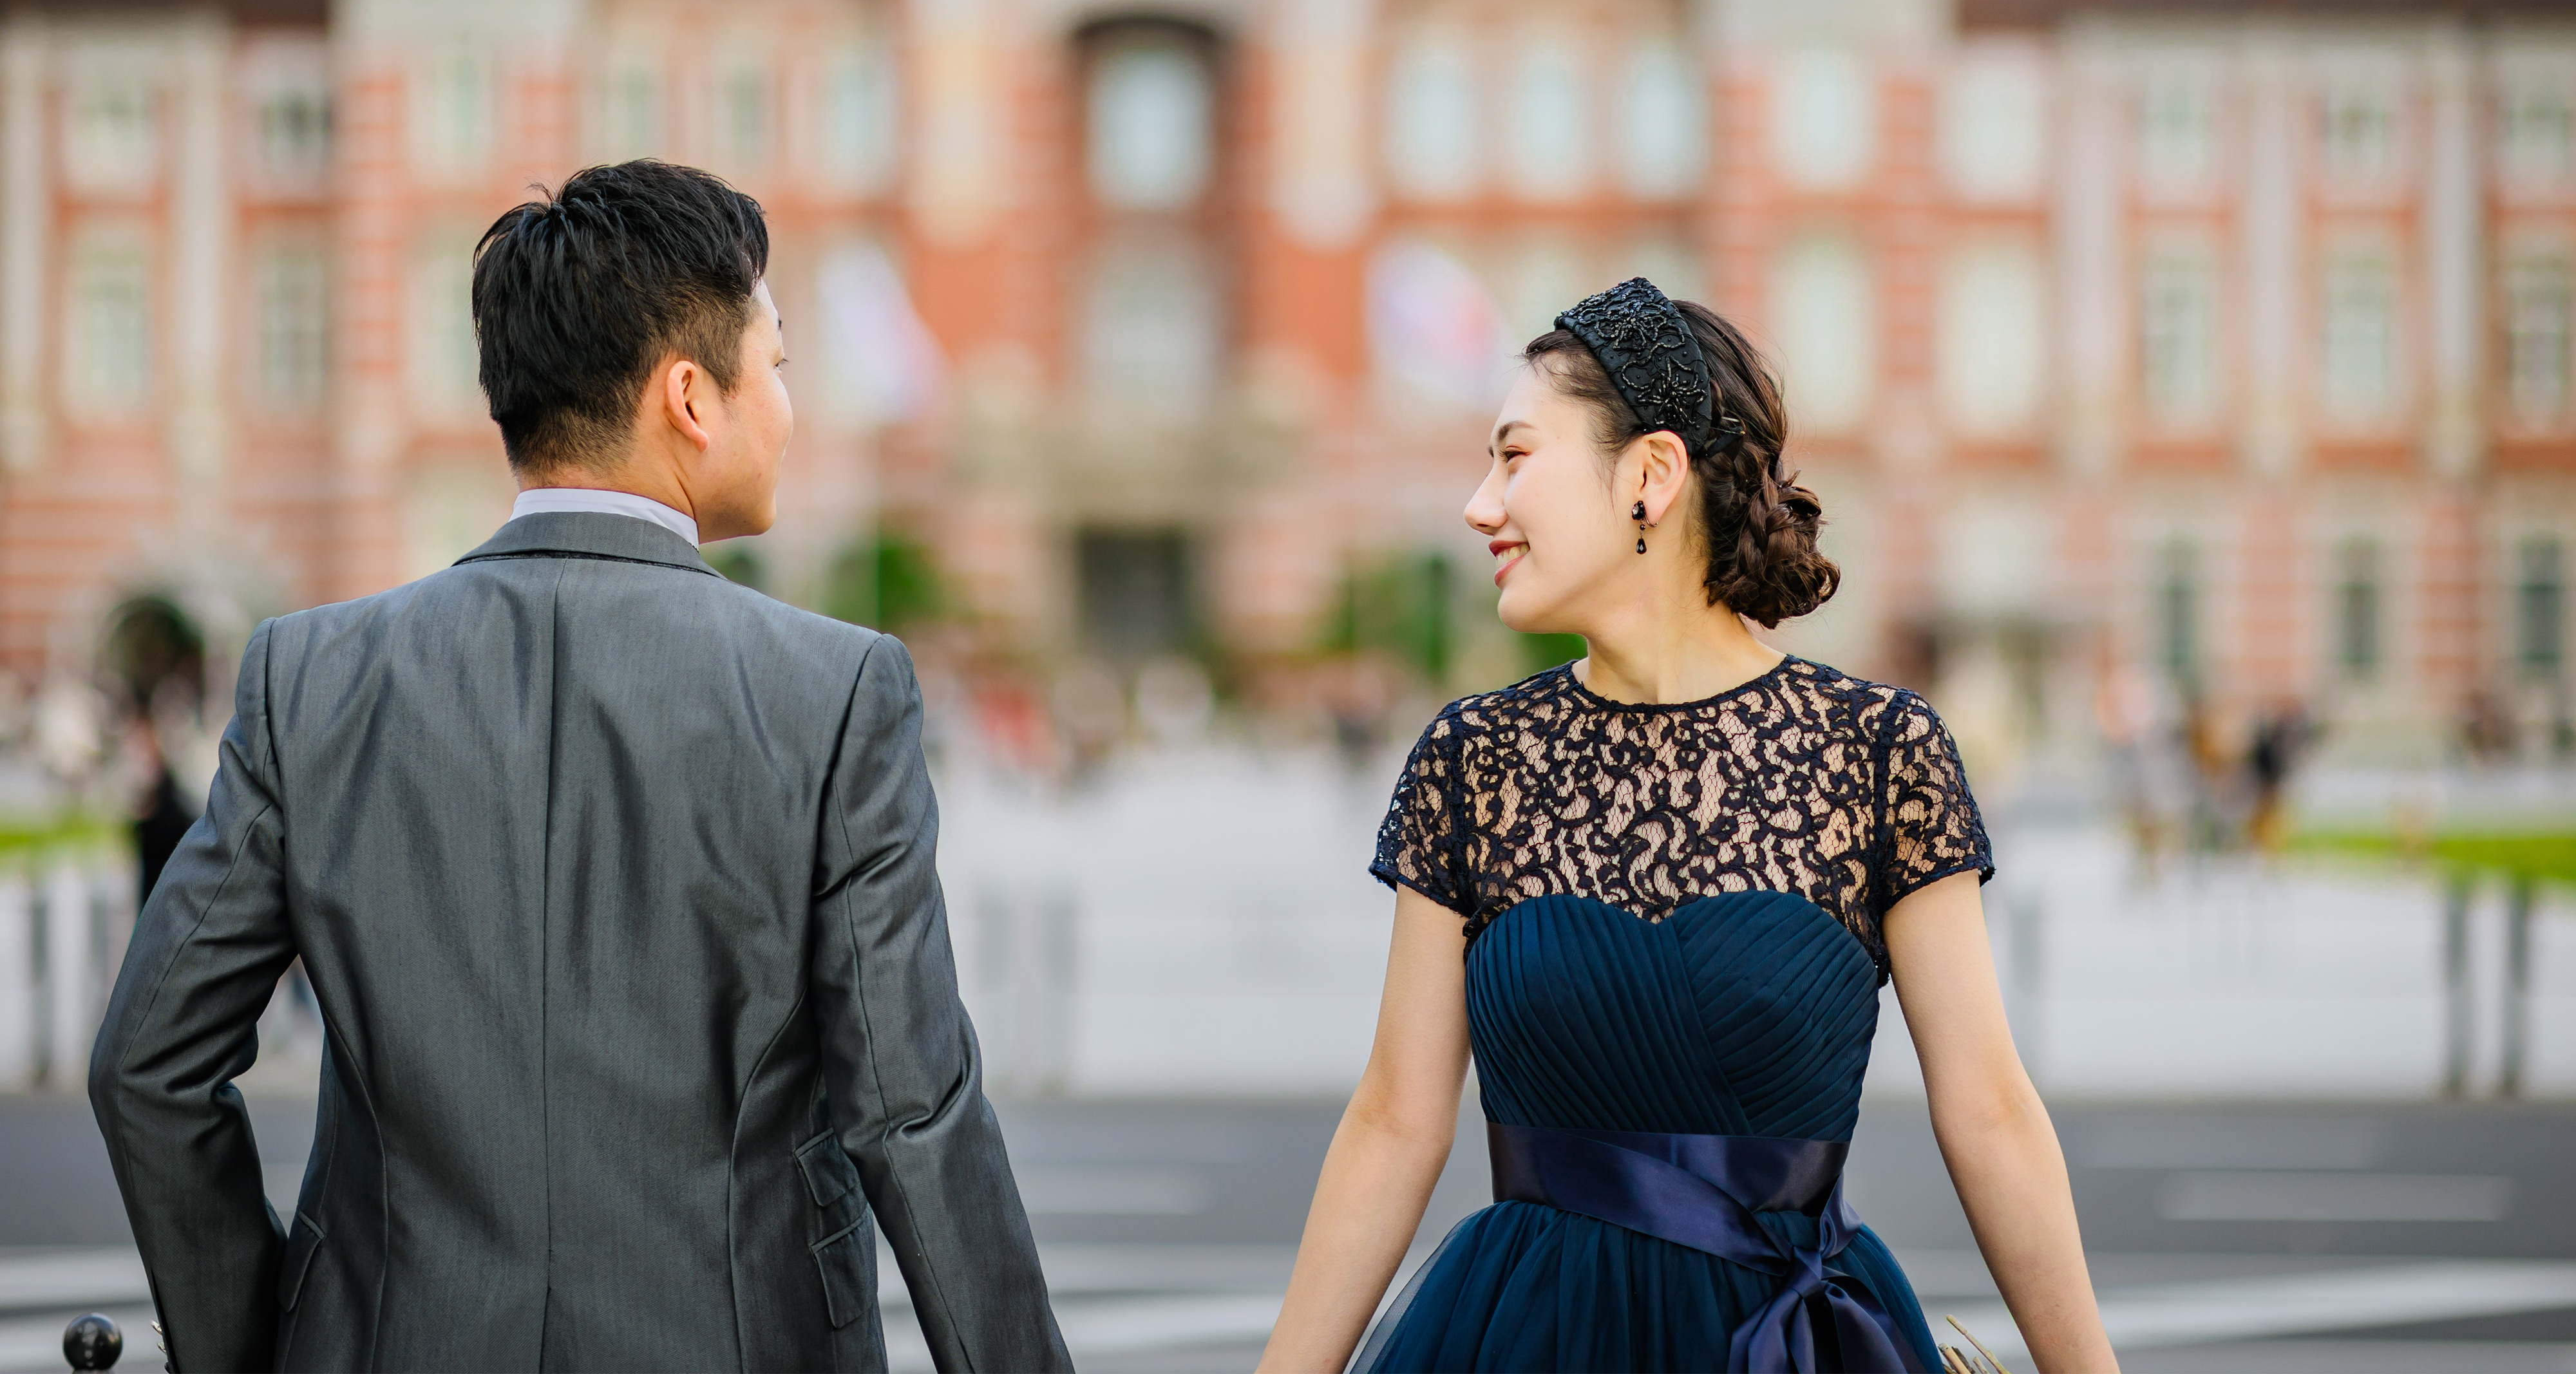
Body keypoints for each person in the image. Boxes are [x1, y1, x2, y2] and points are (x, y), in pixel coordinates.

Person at [90, 161, 1068, 1373]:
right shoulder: (836, 691)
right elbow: (912, 1117)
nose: (789, 407)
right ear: (690, 398)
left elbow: (148, 1065)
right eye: (778, 366)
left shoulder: (313, 676)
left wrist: (264, 1342)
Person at [1260, 279, 2116, 1373]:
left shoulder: (1881, 750)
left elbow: (1991, 1111)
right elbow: (1395, 1119)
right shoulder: (1470, 757)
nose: (1480, 505)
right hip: (1522, 1340)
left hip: (1791, 1344)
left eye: (1515, 458)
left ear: (1650, 478)